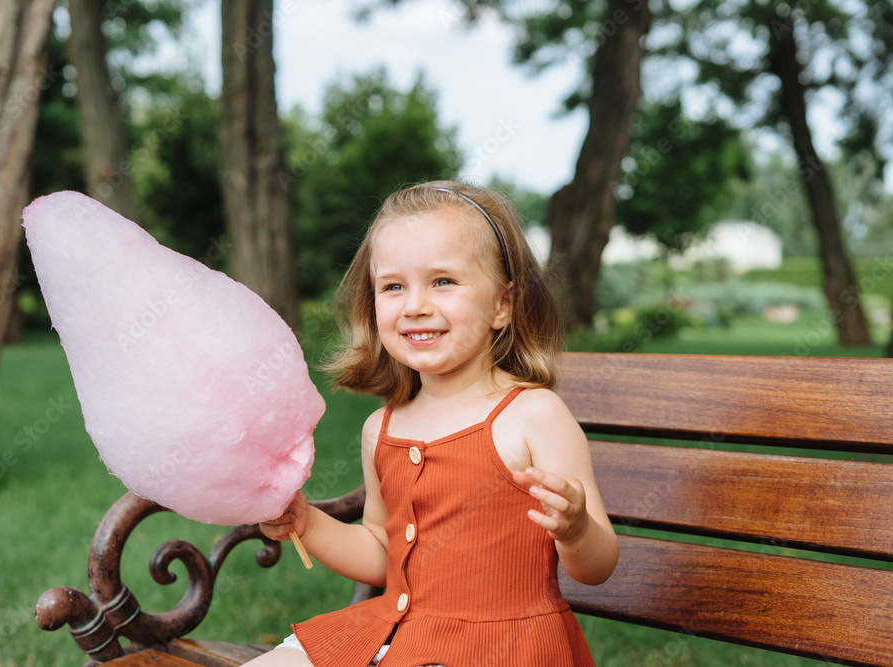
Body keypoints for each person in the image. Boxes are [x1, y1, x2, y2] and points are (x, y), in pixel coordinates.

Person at [249, 181, 619, 666]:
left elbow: (599, 565)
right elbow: (383, 551)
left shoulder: (533, 416)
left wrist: (574, 530)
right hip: (394, 635)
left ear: (502, 305)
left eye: (443, 281)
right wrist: (308, 522)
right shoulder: (381, 428)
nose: (415, 304)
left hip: (500, 649)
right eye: (393, 286)